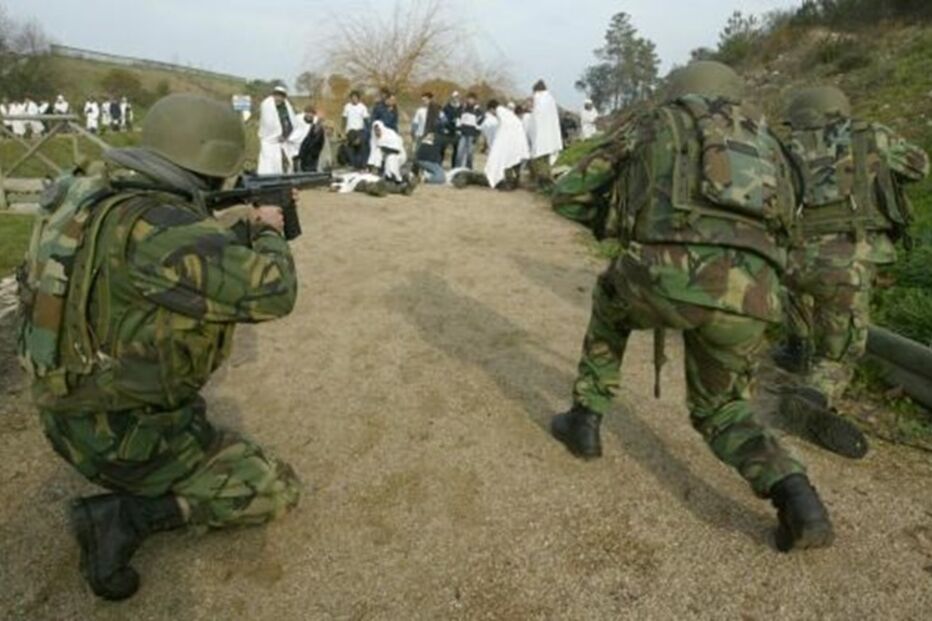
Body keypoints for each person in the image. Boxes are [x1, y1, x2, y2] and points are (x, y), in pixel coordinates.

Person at [16, 93, 302, 601]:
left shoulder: (89, 196)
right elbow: (273, 290)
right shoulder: (164, 230)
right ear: (210, 163)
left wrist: (235, 227)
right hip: (117, 434)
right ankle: (127, 516)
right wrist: (266, 229)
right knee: (273, 484)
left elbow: (170, 264)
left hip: (66, 407)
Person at [552, 61, 834, 553]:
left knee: (610, 302)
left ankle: (586, 418)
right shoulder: (774, 145)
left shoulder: (656, 121)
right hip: (752, 295)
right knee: (723, 409)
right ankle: (795, 494)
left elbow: (570, 191)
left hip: (657, 276)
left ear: (680, 91)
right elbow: (793, 231)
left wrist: (615, 230)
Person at [774, 86, 930, 458]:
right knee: (840, 352)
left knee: (798, 292)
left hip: (790, 257)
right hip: (847, 257)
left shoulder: (780, 147)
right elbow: (919, 167)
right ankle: (812, 397)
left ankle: (795, 349)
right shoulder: (869, 134)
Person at [483, 99, 529, 191]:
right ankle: (515, 183)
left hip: (513, 142)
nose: (492, 114)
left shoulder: (501, 112)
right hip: (518, 141)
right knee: (514, 161)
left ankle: (509, 184)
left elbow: (504, 129)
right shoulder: (506, 113)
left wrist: (498, 143)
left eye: (491, 112)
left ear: (492, 109)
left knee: (507, 161)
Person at [528, 80, 563, 190]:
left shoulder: (539, 98)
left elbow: (536, 118)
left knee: (540, 159)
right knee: (546, 159)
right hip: (550, 136)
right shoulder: (550, 99)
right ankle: (547, 180)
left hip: (541, 136)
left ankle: (544, 182)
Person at [257, 85, 300, 175]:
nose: (279, 98)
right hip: (269, 141)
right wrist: (276, 135)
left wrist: (285, 135)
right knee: (268, 162)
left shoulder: (286, 108)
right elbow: (268, 124)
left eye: (281, 96)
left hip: (282, 141)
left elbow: (292, 123)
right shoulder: (267, 105)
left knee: (282, 161)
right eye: (277, 96)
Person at [372, 120, 415, 194]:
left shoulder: (390, 134)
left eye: (378, 130)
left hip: (398, 156)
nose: (377, 133)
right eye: (376, 131)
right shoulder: (374, 138)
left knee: (391, 159)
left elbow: (396, 150)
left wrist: (383, 148)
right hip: (385, 158)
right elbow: (373, 153)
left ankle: (396, 179)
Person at [342, 90, 370, 170]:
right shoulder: (347, 106)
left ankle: (363, 165)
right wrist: (342, 131)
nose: (354, 99)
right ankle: (353, 165)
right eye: (352, 98)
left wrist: (365, 133)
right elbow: (344, 119)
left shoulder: (363, 107)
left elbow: (366, 121)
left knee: (362, 146)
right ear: (350, 98)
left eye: (355, 98)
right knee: (351, 147)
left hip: (360, 130)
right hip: (350, 130)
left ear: (358, 98)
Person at [455, 93, 483, 169]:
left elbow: (479, 124)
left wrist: (477, 135)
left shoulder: (478, 111)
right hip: (463, 133)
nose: (470, 101)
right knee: (459, 151)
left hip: (471, 134)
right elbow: (458, 119)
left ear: (475, 100)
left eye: (472, 99)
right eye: (469, 99)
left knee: (470, 152)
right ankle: (457, 167)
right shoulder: (462, 108)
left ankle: (469, 167)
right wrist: (458, 130)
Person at [295, 106, 326, 173]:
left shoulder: (318, 128)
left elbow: (320, 142)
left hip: (313, 156)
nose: (309, 115)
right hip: (304, 154)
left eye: (311, 113)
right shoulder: (300, 122)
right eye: (308, 113)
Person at [440, 91, 463, 167]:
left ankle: (454, 167)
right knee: (442, 149)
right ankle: (439, 165)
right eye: (454, 97)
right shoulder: (446, 107)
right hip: (447, 131)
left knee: (456, 151)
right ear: (452, 97)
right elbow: (442, 118)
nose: (456, 98)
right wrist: (445, 127)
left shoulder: (462, 108)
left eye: (457, 97)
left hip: (457, 132)